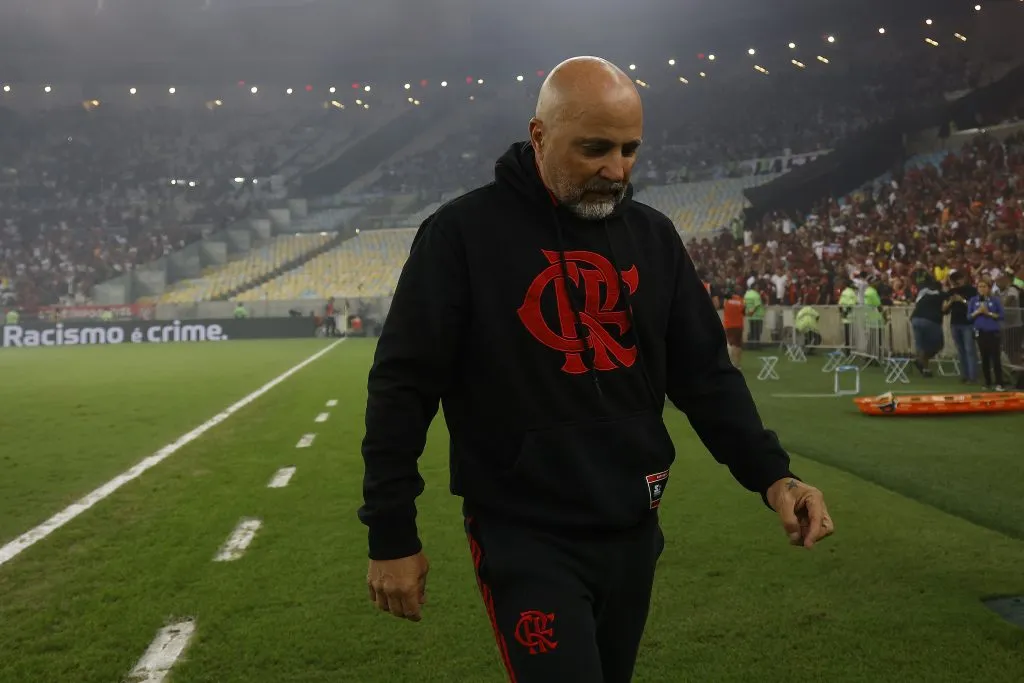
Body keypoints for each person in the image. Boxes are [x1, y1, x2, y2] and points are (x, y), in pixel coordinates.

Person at [358, 56, 834, 683]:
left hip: (634, 526)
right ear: (539, 137)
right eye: (594, 149)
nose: (616, 170)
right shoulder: (460, 236)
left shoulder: (654, 237)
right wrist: (392, 533)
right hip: (525, 534)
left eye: (629, 149)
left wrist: (776, 479)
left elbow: (706, 377)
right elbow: (403, 386)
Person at [968, 280, 1006, 391]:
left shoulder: (995, 301)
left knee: (996, 358)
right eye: (980, 286)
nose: (982, 288)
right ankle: (987, 382)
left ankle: (999, 383)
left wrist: (988, 313)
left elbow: (1001, 316)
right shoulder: (973, 300)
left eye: (984, 286)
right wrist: (978, 312)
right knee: (984, 358)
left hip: (993, 333)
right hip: (980, 332)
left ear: (988, 288)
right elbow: (969, 317)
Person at [942, 271, 979, 384]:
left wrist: (962, 300)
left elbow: (975, 306)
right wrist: (951, 301)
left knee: (969, 350)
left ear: (964, 278)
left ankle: (972, 377)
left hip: (968, 323)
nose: (957, 282)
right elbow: (944, 310)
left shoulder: (971, 290)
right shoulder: (951, 292)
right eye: (954, 280)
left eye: (958, 279)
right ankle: (965, 375)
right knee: (961, 351)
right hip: (955, 323)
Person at [909, 276, 946, 377]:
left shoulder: (923, 295)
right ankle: (920, 360)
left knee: (921, 345)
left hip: (915, 319)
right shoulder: (940, 294)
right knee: (938, 345)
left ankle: (925, 369)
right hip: (930, 320)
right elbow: (946, 306)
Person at [721, 291, 746, 367]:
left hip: (729, 325)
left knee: (731, 344)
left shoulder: (726, 303)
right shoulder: (740, 301)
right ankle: (737, 364)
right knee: (738, 345)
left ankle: (730, 362)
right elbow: (744, 311)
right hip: (739, 325)